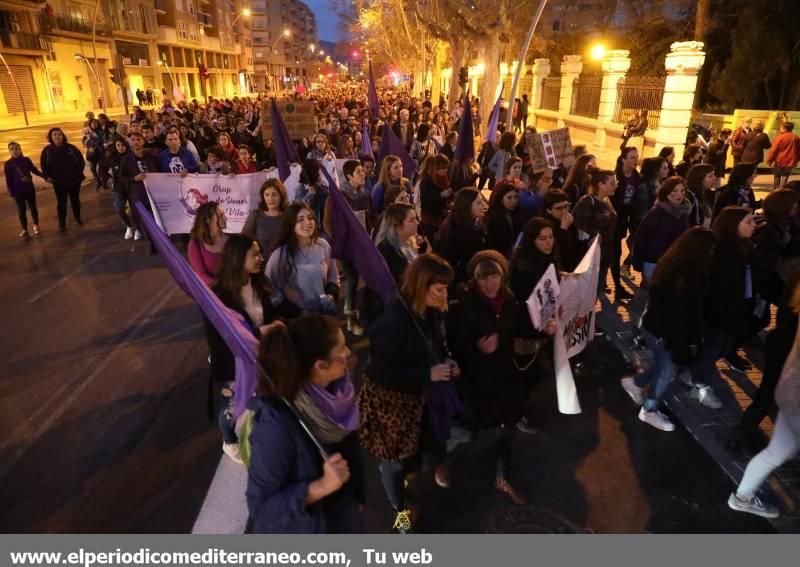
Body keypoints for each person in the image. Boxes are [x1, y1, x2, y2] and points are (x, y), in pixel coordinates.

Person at [360, 254, 461, 533]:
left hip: (422, 403)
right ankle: (400, 514)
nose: (444, 294)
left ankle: (425, 470)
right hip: (396, 409)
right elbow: (380, 374)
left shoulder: (427, 311)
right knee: (394, 465)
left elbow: (434, 346)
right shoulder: (392, 323)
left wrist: (446, 360)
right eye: (439, 289)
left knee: (420, 451)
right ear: (420, 285)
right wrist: (427, 374)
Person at [247, 315, 363, 533]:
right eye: (341, 351)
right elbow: (261, 508)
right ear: (320, 366)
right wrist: (321, 487)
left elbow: (348, 446)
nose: (348, 353)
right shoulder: (276, 424)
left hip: (344, 508)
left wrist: (357, 496)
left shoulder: (336, 392)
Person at [209, 235, 300, 463]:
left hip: (261, 357)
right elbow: (222, 339)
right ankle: (229, 440)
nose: (261, 258)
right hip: (234, 363)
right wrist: (261, 332)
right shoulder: (219, 296)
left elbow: (267, 314)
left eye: (260, 253)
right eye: (255, 254)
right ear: (238, 259)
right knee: (232, 407)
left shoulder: (258, 282)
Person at [448, 251, 527, 504]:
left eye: (494, 276)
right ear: (475, 280)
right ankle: (444, 462)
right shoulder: (464, 306)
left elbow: (521, 327)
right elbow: (455, 345)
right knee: (469, 429)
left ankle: (501, 476)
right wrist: (477, 350)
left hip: (505, 375)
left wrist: (543, 328)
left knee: (507, 425)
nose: (489, 283)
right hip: (476, 378)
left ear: (502, 276)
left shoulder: (511, 301)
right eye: (483, 278)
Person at [621, 227, 717, 431]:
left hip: (658, 328)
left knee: (665, 366)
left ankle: (636, 383)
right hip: (665, 332)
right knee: (667, 371)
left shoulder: (675, 265)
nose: (713, 254)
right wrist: (683, 342)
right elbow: (678, 315)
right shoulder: (683, 276)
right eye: (710, 249)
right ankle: (649, 410)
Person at [727, 277, 800, 520]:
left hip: (790, 392)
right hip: (793, 396)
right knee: (778, 451)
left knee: (777, 453)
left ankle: (743, 496)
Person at [686, 206, 757, 409]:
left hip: (735, 311)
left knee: (722, 348)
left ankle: (695, 372)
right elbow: (714, 288)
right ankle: (699, 385)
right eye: (749, 221)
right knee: (713, 348)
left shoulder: (743, 246)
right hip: (719, 313)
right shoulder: (721, 251)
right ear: (733, 225)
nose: (754, 225)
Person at [508, 217, 561, 434]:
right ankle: (518, 411)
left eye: (551, 237)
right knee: (526, 371)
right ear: (532, 240)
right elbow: (524, 301)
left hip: (543, 326)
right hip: (526, 328)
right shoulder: (523, 265)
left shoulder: (547, 259)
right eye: (543, 239)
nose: (548, 243)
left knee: (539, 370)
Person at [323, 160, 372, 335]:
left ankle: (353, 306)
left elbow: (369, 217)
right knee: (351, 279)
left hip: (362, 245)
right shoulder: (337, 197)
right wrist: (340, 241)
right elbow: (327, 223)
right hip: (346, 247)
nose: (363, 173)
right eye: (359, 171)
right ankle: (352, 320)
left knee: (362, 276)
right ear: (349, 176)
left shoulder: (365, 194)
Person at [265, 202, 340, 314]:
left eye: (310, 218)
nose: (308, 223)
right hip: (296, 321)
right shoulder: (280, 255)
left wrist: (330, 296)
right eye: (300, 219)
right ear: (291, 224)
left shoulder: (323, 245)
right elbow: (270, 290)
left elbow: (333, 277)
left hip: (323, 315)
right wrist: (296, 313)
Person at [631, 176, 691, 285]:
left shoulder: (683, 213)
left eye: (682, 191)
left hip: (675, 263)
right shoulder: (656, 213)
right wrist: (638, 262)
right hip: (654, 262)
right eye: (675, 190)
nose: (680, 194)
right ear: (667, 192)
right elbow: (641, 238)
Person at [573, 169, 620, 297]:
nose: (615, 185)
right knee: (584, 293)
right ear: (600, 184)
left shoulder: (606, 200)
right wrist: (593, 235)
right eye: (612, 182)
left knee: (595, 292)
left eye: (615, 182)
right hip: (589, 256)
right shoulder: (587, 201)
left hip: (604, 254)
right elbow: (576, 224)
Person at [435, 188, 488, 284]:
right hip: (461, 281)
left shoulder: (480, 221)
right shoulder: (451, 230)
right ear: (467, 206)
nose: (483, 205)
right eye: (478, 203)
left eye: (482, 201)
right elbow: (447, 262)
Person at [40, 127, 85, 232]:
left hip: (74, 181)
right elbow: (44, 166)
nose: (57, 136)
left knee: (75, 201)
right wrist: (47, 177)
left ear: (63, 136)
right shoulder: (47, 150)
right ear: (51, 137)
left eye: (59, 134)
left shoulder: (71, 148)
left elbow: (80, 161)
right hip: (59, 182)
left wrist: (77, 174)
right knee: (61, 203)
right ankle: (62, 224)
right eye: (54, 134)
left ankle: (77, 218)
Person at [242, 178, 289, 260]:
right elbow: (243, 242)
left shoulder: (289, 216)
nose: (270, 199)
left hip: (284, 265)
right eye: (267, 195)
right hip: (260, 265)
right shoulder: (255, 215)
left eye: (274, 195)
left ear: (281, 196)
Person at [5, 142, 44, 238]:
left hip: (29, 189)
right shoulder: (8, 164)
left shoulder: (26, 160)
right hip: (18, 191)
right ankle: (24, 229)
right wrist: (11, 191)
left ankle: (36, 225)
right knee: (21, 210)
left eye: (16, 148)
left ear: (20, 149)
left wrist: (45, 176)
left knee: (33, 208)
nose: (15, 151)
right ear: (9, 151)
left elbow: (34, 170)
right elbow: (8, 179)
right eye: (12, 149)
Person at [105, 137, 138, 239]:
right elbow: (102, 167)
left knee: (135, 210)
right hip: (119, 187)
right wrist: (107, 178)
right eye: (118, 145)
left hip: (132, 186)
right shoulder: (112, 157)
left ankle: (138, 229)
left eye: (123, 145)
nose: (120, 147)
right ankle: (129, 226)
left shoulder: (132, 156)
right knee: (120, 209)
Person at [188, 202, 229, 286]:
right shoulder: (195, 245)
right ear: (208, 219)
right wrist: (223, 286)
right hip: (214, 294)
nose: (226, 218)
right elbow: (202, 275)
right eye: (220, 215)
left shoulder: (232, 240)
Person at [539, 189, 580, 271]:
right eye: (559, 208)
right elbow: (555, 251)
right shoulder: (543, 226)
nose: (564, 211)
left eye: (566, 206)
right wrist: (563, 229)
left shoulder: (568, 219)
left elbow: (575, 244)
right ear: (549, 210)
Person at [418, 154, 453, 243]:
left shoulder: (443, 178)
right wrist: (441, 195)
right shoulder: (426, 181)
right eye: (444, 168)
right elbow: (426, 202)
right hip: (430, 220)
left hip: (441, 217)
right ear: (436, 168)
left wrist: (449, 200)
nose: (446, 170)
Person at [486, 183, 524, 258]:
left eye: (516, 197)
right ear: (501, 200)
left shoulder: (517, 212)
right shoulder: (494, 216)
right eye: (509, 198)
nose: (513, 201)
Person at [766, 121, 800, 189]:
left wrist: (769, 160)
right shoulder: (796, 138)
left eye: (781, 127)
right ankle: (782, 190)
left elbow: (773, 150)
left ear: (784, 128)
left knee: (777, 176)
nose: (780, 128)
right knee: (785, 176)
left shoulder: (779, 137)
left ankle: (775, 191)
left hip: (779, 161)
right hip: (790, 162)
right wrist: (797, 160)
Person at [685, 163, 715, 228]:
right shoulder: (690, 197)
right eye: (710, 176)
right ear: (699, 178)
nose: (714, 178)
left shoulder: (707, 194)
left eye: (713, 175)